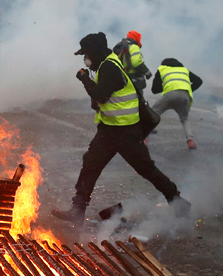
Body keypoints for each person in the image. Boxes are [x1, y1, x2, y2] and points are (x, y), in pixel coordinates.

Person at [52, 32, 190, 224]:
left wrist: (84, 79)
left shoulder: (109, 66)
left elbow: (101, 95)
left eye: (87, 54)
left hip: (126, 132)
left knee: (146, 169)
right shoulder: (105, 64)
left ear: (95, 52)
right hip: (109, 130)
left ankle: (177, 201)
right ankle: (78, 209)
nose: (85, 58)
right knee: (90, 165)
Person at [151, 58, 202, 150]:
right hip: (184, 96)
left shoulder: (162, 69)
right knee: (184, 119)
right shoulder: (183, 69)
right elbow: (199, 81)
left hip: (169, 96)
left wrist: (167, 86)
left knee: (151, 115)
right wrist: (188, 89)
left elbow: (154, 90)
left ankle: (144, 139)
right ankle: (190, 141)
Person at [116, 30, 152, 96]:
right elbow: (136, 62)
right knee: (139, 103)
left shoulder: (120, 47)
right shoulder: (133, 47)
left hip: (122, 80)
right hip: (135, 81)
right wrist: (147, 72)